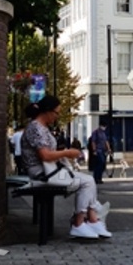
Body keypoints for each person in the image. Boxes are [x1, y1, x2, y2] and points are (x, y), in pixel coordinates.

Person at [21, 96, 111, 241]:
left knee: (88, 180)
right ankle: (79, 221)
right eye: (56, 113)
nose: (57, 117)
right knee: (87, 181)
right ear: (47, 111)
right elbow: (45, 155)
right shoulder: (36, 128)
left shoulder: (41, 128)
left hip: (48, 170)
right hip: (41, 173)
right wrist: (67, 153)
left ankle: (92, 219)